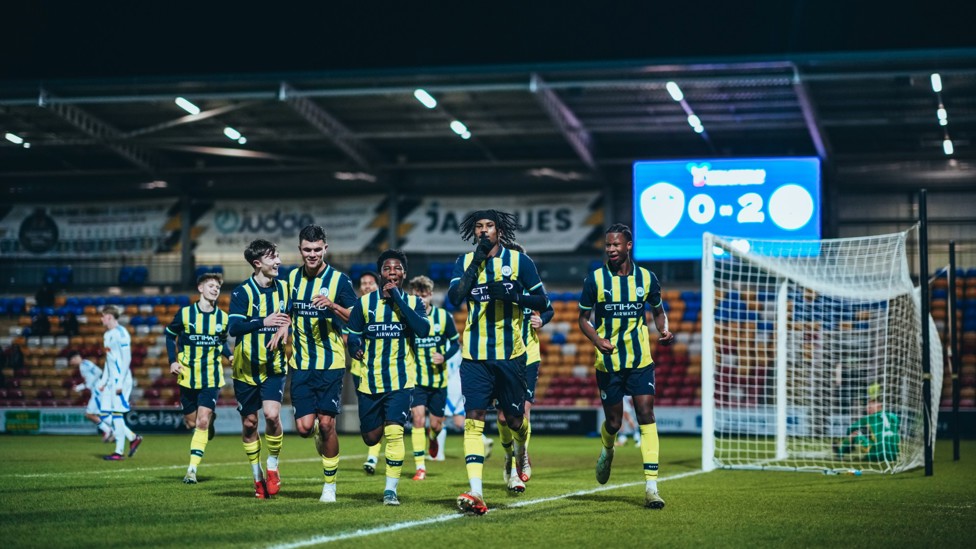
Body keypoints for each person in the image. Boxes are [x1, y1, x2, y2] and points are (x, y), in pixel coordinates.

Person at [447, 209, 550, 514]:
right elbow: (455, 297)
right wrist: (478, 260)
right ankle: (476, 491)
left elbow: (543, 302)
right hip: (475, 356)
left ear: (499, 231)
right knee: (474, 418)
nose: (483, 230)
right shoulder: (465, 262)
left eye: (489, 226)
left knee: (514, 421)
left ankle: (520, 453)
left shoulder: (520, 262)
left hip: (511, 356)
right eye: (478, 226)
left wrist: (515, 295)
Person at [578, 223, 673, 509]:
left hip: (640, 360)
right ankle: (607, 449)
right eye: (608, 245)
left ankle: (651, 487)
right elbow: (583, 319)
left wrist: (663, 330)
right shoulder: (595, 280)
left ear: (628, 246)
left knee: (646, 413)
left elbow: (658, 310)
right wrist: (597, 340)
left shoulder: (647, 278)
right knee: (614, 423)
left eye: (616, 245)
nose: (611, 249)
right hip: (609, 362)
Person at [346, 249, 430, 506]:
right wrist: (355, 346)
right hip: (370, 380)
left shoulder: (414, 303)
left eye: (397, 268)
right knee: (371, 437)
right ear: (380, 273)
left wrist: (398, 300)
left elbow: (423, 330)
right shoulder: (364, 303)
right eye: (387, 269)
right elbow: (353, 333)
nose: (392, 272)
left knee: (394, 433)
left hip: (400, 380)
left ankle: (390, 490)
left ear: (404, 273)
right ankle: (383, 422)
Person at [286, 225, 357, 503]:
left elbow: (355, 318)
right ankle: (314, 430)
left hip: (331, 364)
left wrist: (332, 306)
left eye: (317, 249)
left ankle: (329, 486)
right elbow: (287, 311)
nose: (312, 254)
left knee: (328, 424)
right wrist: (283, 326)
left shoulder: (339, 280)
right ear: (300, 250)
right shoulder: (291, 278)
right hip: (301, 364)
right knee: (304, 428)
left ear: (325, 248)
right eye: (307, 249)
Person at [228, 239, 291, 499]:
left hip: (274, 366)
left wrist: (285, 327)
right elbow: (234, 328)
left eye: (277, 256)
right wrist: (262, 322)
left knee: (272, 415)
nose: (278, 262)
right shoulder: (242, 293)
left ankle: (273, 466)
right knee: (250, 423)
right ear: (257, 264)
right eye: (272, 257)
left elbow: (292, 315)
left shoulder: (286, 288)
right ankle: (257, 478)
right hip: (245, 369)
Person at [165, 272, 231, 484]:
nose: (215, 289)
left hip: (211, 376)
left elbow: (221, 342)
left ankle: (191, 470)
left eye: (217, 287)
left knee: (201, 422)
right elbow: (169, 335)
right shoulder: (185, 314)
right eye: (210, 285)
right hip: (187, 376)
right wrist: (172, 361)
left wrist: (228, 354)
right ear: (200, 288)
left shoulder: (223, 317)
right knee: (191, 422)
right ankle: (210, 422)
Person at [497, 242, 553, 484]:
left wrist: (543, 321)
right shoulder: (497, 289)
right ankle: (509, 456)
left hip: (528, 356)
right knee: (501, 418)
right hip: (502, 356)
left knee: (523, 411)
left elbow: (549, 309)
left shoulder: (532, 291)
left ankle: (521, 461)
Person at [407, 275, 460, 480]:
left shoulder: (444, 317)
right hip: (416, 379)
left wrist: (444, 356)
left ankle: (433, 437)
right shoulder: (407, 318)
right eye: (416, 294)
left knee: (436, 425)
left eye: (423, 294)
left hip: (439, 380)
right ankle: (420, 467)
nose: (420, 298)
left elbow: (455, 343)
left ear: (430, 295)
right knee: (418, 419)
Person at [97, 305, 144, 460]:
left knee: (117, 414)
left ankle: (118, 452)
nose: (101, 319)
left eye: (103, 316)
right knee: (103, 413)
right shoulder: (107, 335)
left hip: (120, 380)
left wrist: (119, 383)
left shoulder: (121, 333)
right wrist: (103, 380)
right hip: (110, 380)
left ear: (110, 317)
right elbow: (109, 360)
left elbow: (126, 359)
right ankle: (132, 437)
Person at [353, 271, 385, 475]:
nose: (366, 286)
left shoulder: (384, 305)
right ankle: (373, 453)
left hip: (386, 369)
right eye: (363, 283)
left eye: (370, 283)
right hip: (359, 370)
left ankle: (373, 457)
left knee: (385, 415)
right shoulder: (355, 308)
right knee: (371, 416)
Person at [833, 382, 901, 461]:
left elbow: (850, 429)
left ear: (879, 405)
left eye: (870, 406)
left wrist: (849, 443)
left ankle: (840, 453)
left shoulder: (868, 418)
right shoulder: (893, 416)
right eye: (867, 407)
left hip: (876, 455)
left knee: (855, 434)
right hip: (894, 456)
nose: (867, 409)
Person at [68, 350, 113, 441]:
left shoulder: (85, 364)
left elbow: (99, 372)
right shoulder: (83, 365)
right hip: (97, 391)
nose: (71, 363)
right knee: (92, 414)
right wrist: (80, 387)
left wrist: (87, 385)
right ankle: (111, 430)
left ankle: (114, 430)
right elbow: (89, 381)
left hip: (98, 391)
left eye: (71, 360)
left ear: (75, 357)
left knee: (93, 414)